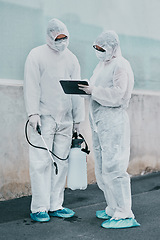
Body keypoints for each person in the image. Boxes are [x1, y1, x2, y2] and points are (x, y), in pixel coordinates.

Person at [23, 18, 84, 222]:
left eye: (64, 37)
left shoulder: (72, 59)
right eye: (58, 37)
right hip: (44, 118)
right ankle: (39, 207)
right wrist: (33, 113)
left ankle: (55, 204)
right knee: (41, 163)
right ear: (49, 36)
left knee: (61, 162)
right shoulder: (36, 55)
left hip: (65, 119)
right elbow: (31, 85)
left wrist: (78, 118)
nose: (62, 41)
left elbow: (77, 91)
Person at [79, 30, 140, 229]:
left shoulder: (121, 65)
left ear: (112, 47)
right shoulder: (101, 65)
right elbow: (95, 88)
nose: (98, 51)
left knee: (115, 168)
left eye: (102, 48)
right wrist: (86, 89)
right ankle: (113, 207)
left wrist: (94, 91)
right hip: (99, 124)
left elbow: (119, 95)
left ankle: (124, 213)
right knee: (103, 168)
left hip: (113, 123)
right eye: (96, 48)